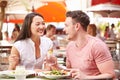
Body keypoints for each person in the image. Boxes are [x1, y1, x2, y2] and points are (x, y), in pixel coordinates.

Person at [63, 10, 115, 79]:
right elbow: (70, 72)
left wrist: (86, 78)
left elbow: (110, 75)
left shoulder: (97, 46)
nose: (64, 29)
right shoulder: (70, 46)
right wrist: (56, 67)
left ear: (77, 26)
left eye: (66, 26)